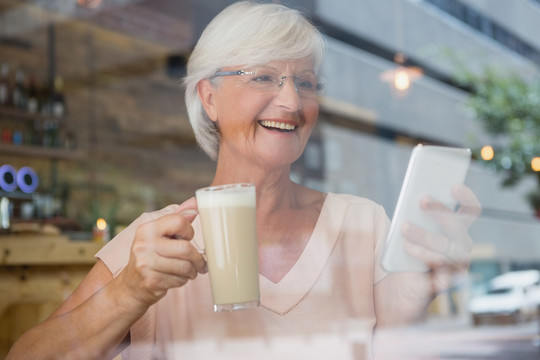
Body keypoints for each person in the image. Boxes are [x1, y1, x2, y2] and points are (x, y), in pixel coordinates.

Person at [7, 1, 480, 359]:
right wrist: (129, 292)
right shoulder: (156, 243)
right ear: (209, 98)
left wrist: (412, 305)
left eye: (306, 82)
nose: (292, 102)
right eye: (263, 77)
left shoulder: (363, 224)